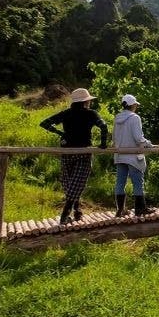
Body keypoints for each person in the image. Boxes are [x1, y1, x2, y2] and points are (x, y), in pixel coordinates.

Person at [40, 88, 108, 225]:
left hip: (67, 151)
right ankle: (65, 215)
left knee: (70, 182)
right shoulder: (91, 114)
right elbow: (104, 126)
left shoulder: (66, 113)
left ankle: (77, 211)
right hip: (83, 151)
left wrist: (61, 134)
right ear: (85, 102)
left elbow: (44, 123)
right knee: (77, 182)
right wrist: (103, 143)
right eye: (88, 101)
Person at [112, 94, 156, 218]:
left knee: (120, 182)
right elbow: (138, 138)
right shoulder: (135, 118)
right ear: (133, 105)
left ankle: (120, 210)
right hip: (132, 155)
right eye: (135, 104)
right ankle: (140, 209)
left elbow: (114, 137)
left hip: (120, 154)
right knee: (138, 182)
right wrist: (148, 144)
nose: (136, 106)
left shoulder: (117, 117)